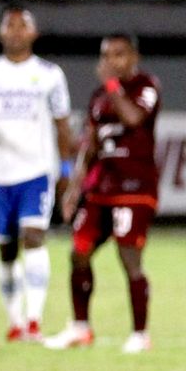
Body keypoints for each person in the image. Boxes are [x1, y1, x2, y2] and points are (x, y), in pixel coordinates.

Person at [44, 34, 160, 354]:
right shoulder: (98, 98)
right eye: (106, 56)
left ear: (133, 57)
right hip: (102, 189)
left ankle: (140, 334)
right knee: (78, 251)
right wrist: (73, 188)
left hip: (135, 188)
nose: (112, 62)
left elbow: (133, 118)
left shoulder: (145, 87)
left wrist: (112, 87)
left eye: (119, 55)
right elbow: (91, 146)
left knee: (129, 257)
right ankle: (81, 327)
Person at [0, 6, 74, 342]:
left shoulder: (49, 74)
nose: (15, 31)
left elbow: (62, 123)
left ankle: (33, 321)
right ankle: (14, 322)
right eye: (9, 25)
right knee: (7, 250)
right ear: (1, 33)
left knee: (34, 237)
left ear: (33, 33)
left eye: (21, 25)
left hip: (35, 171)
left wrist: (66, 167)